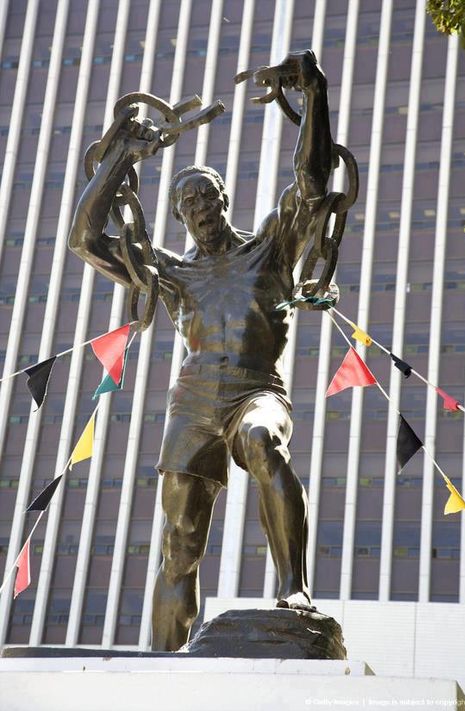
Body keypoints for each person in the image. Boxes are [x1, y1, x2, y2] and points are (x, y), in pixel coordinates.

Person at [69, 50, 335, 651]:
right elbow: (84, 240)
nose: (199, 211)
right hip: (192, 404)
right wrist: (118, 159)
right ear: (179, 217)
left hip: (256, 390)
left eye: (207, 198)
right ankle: (166, 665)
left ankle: (293, 588)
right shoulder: (171, 274)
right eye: (186, 205)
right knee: (179, 545)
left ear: (223, 201)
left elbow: (312, 187)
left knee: (263, 443)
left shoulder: (267, 251)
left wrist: (312, 94)